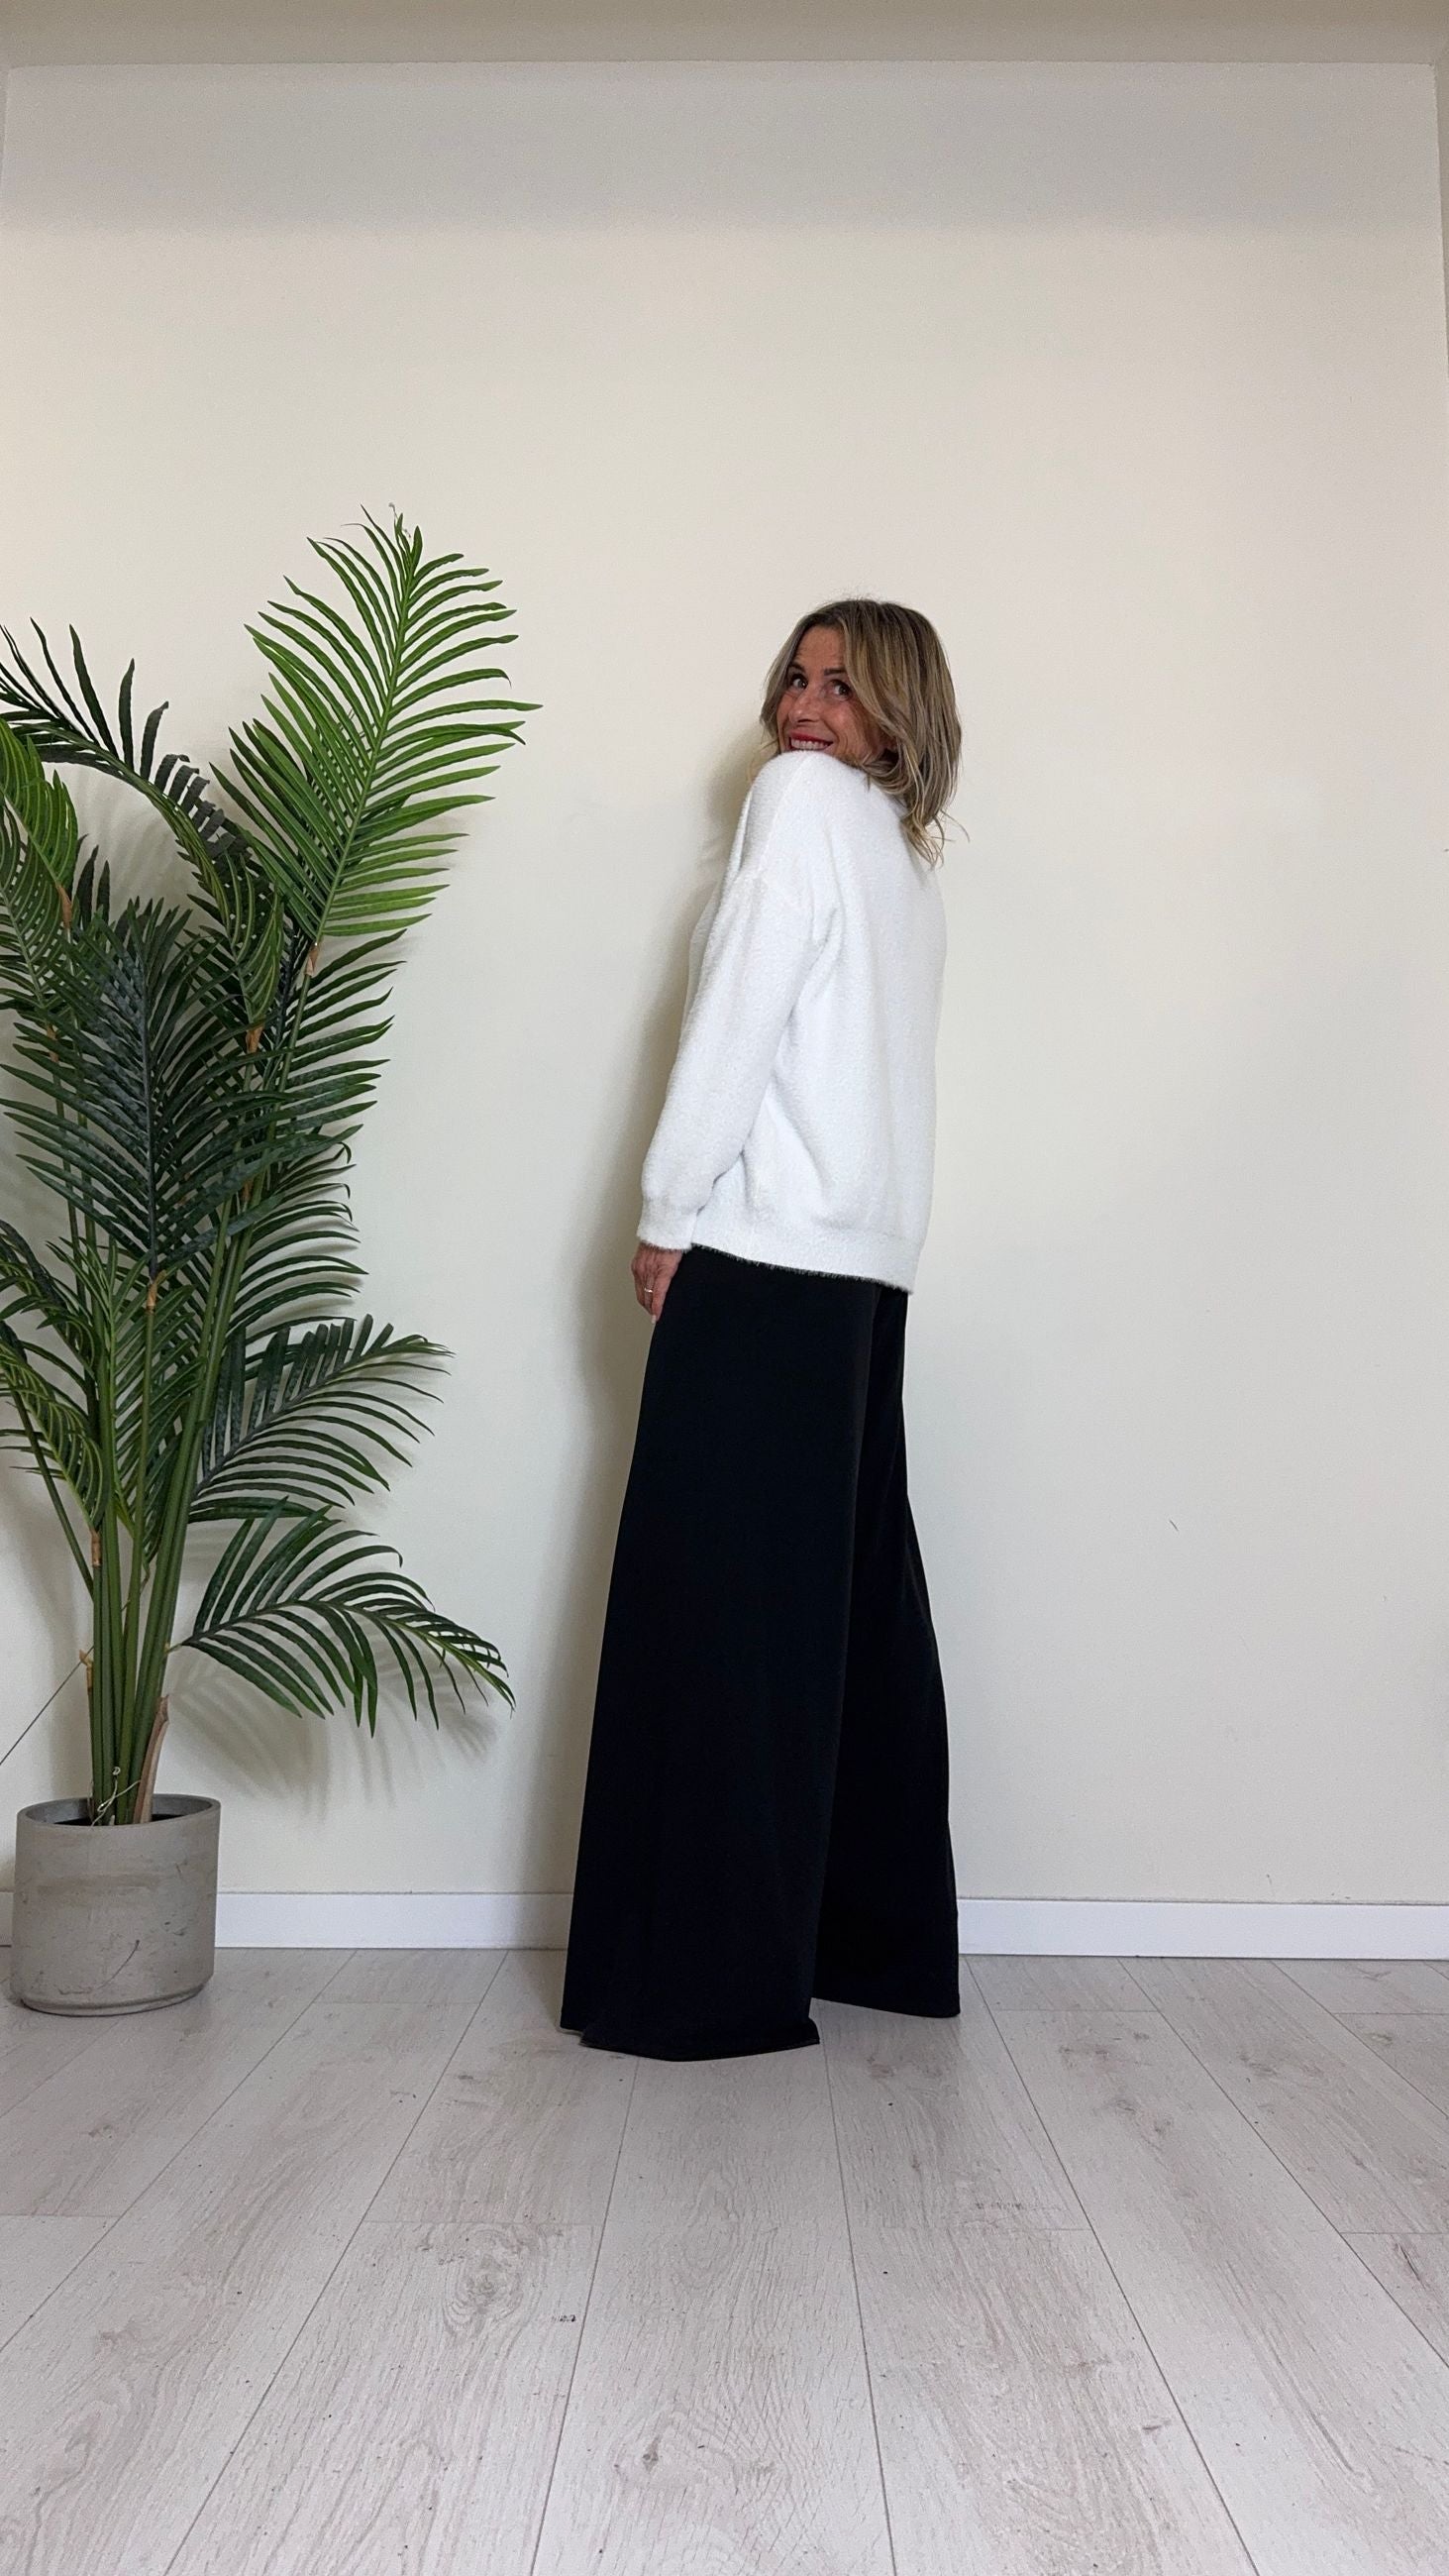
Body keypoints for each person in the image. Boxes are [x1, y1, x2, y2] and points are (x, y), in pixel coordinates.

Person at [560, 599, 963, 2061]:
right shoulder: (904, 865)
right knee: (845, 1620)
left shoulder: (799, 812)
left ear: (899, 711)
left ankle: (700, 1984)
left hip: (760, 1255)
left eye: (843, 686)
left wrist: (669, 1207)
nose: (805, 706)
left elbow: (738, 1019)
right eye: (796, 677)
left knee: (715, 1623)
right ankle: (871, 1947)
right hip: (861, 1281)